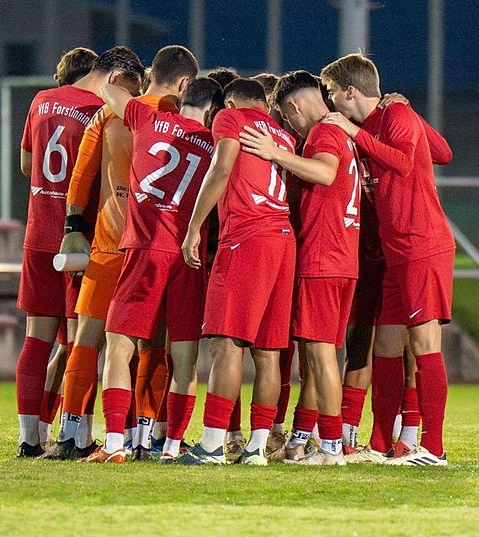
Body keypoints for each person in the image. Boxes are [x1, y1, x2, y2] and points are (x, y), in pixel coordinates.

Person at [47, 45, 197, 461]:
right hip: (162, 246)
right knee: (153, 345)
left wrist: (74, 228)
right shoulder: (186, 121)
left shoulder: (114, 112)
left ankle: (73, 433)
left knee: (89, 340)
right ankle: (145, 434)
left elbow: (82, 173)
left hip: (111, 244)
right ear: (184, 82)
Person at [322, 53, 455, 466]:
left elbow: (399, 161)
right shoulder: (388, 118)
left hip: (423, 246)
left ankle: (433, 448)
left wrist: (355, 128)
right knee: (388, 344)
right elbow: (442, 152)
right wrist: (411, 115)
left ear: (350, 91)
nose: (330, 103)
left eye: (332, 94)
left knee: (424, 343)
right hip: (399, 251)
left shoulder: (391, 114)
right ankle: (381, 444)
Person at [84, 78, 224, 463]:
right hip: (188, 255)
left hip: (145, 249)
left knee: (118, 346)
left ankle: (114, 445)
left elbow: (109, 92)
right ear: (212, 111)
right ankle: (173, 447)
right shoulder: (217, 144)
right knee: (184, 359)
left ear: (183, 102)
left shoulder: (148, 118)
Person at [14, 46, 143, 458]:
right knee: (81, 340)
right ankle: (78, 434)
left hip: (39, 231)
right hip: (82, 238)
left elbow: (25, 164)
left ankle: (29, 437)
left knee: (36, 340)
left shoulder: (41, 101)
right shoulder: (99, 111)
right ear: (116, 78)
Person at [239, 70, 361, 466]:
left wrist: (274, 153)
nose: (290, 128)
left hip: (324, 258)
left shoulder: (325, 133)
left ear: (293, 107)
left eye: (288, 119)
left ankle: (330, 448)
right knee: (316, 356)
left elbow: (324, 172)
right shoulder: (342, 131)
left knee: (321, 356)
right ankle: (307, 439)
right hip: (343, 257)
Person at [178, 79, 297, 466]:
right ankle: (258, 448)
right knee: (268, 353)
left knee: (226, 344)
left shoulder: (230, 117)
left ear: (229, 101)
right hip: (283, 238)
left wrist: (194, 227)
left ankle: (212, 444)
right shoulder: (283, 134)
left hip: (247, 236)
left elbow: (221, 168)